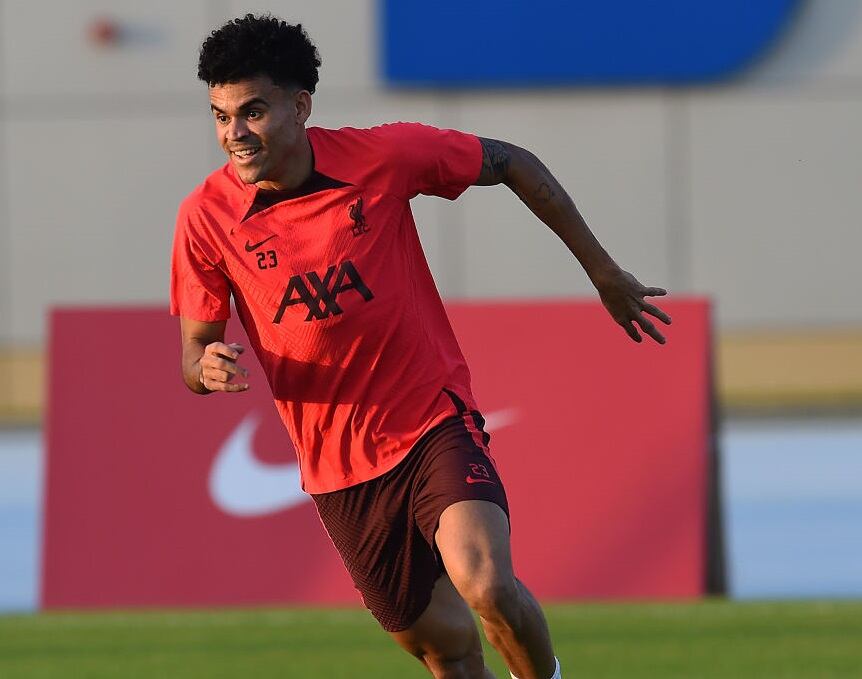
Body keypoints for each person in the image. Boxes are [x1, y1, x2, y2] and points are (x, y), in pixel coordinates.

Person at [171, 14, 671, 679]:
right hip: (337, 469)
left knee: (487, 584)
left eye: (252, 111)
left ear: (300, 106)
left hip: (430, 420)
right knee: (446, 650)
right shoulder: (203, 218)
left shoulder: (383, 156)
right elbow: (193, 351)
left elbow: (512, 162)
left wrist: (603, 271)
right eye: (221, 116)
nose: (235, 133)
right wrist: (204, 367)